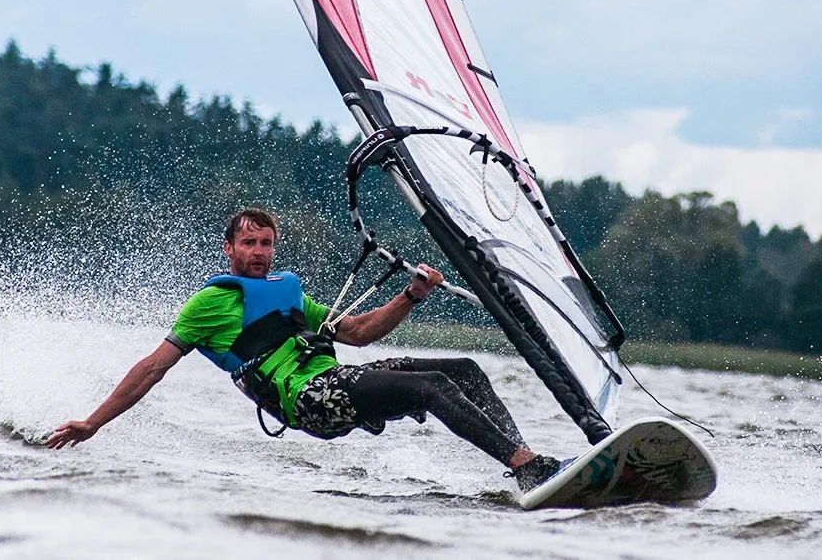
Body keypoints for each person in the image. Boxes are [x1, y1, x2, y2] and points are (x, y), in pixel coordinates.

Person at [46, 208, 567, 492]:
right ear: (229, 249)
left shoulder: (288, 293)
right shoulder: (210, 303)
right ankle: (526, 464)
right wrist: (93, 422)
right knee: (430, 388)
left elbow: (359, 333)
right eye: (247, 244)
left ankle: (527, 470)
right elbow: (151, 368)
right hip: (307, 400)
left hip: (335, 383)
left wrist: (411, 295)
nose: (257, 252)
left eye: (265, 243)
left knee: (465, 368)